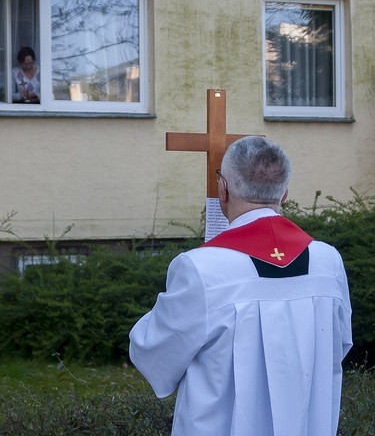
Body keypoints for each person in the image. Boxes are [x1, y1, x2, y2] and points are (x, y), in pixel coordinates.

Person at [129, 136, 353, 435]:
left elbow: (155, 351)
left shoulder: (201, 267)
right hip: (306, 423)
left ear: (223, 189)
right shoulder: (328, 261)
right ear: (284, 192)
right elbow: (338, 345)